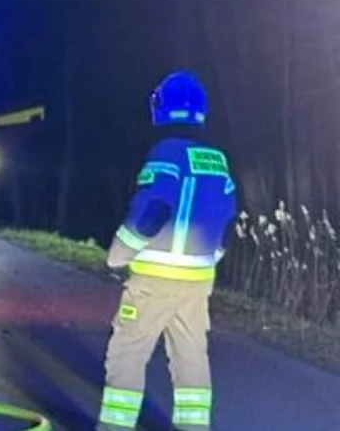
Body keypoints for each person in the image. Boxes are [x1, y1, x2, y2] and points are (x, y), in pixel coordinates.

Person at [97, 71, 237, 431]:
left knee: (126, 355)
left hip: (153, 282)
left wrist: (118, 253)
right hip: (197, 283)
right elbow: (226, 218)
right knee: (191, 359)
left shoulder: (166, 152)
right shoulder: (217, 160)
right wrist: (210, 258)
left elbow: (152, 208)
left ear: (163, 108)